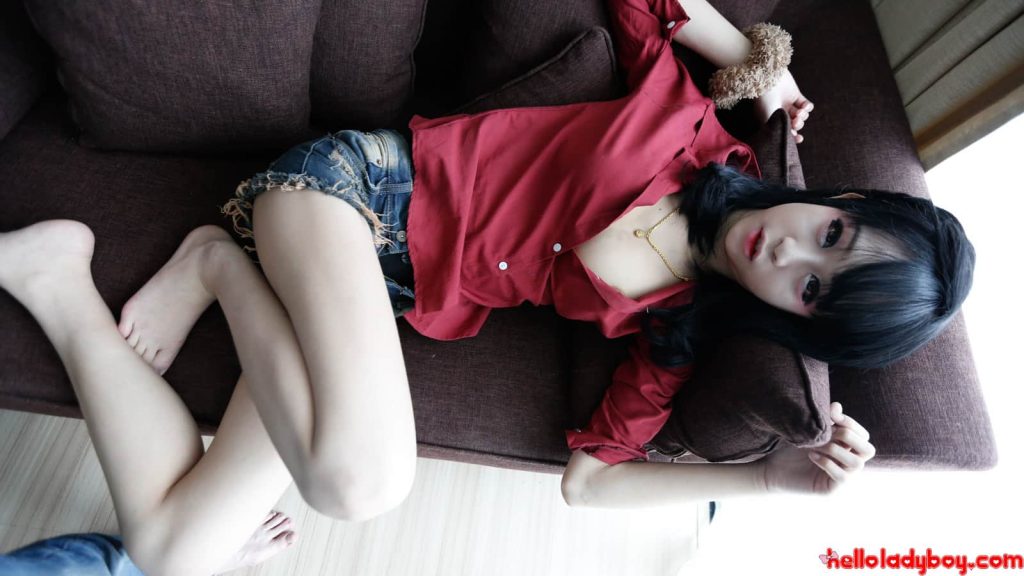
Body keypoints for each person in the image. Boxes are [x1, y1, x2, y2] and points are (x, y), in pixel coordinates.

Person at [0, 0, 973, 573]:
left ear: (797, 324)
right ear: (841, 197)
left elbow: (590, 485)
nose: (789, 256)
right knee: (361, 482)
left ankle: (54, 279)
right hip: (347, 197)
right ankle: (218, 257)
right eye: (831, 234)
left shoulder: (674, 330)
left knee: (172, 551)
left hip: (366, 294)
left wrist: (762, 481)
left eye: (812, 291)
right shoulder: (683, 123)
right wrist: (760, 63)